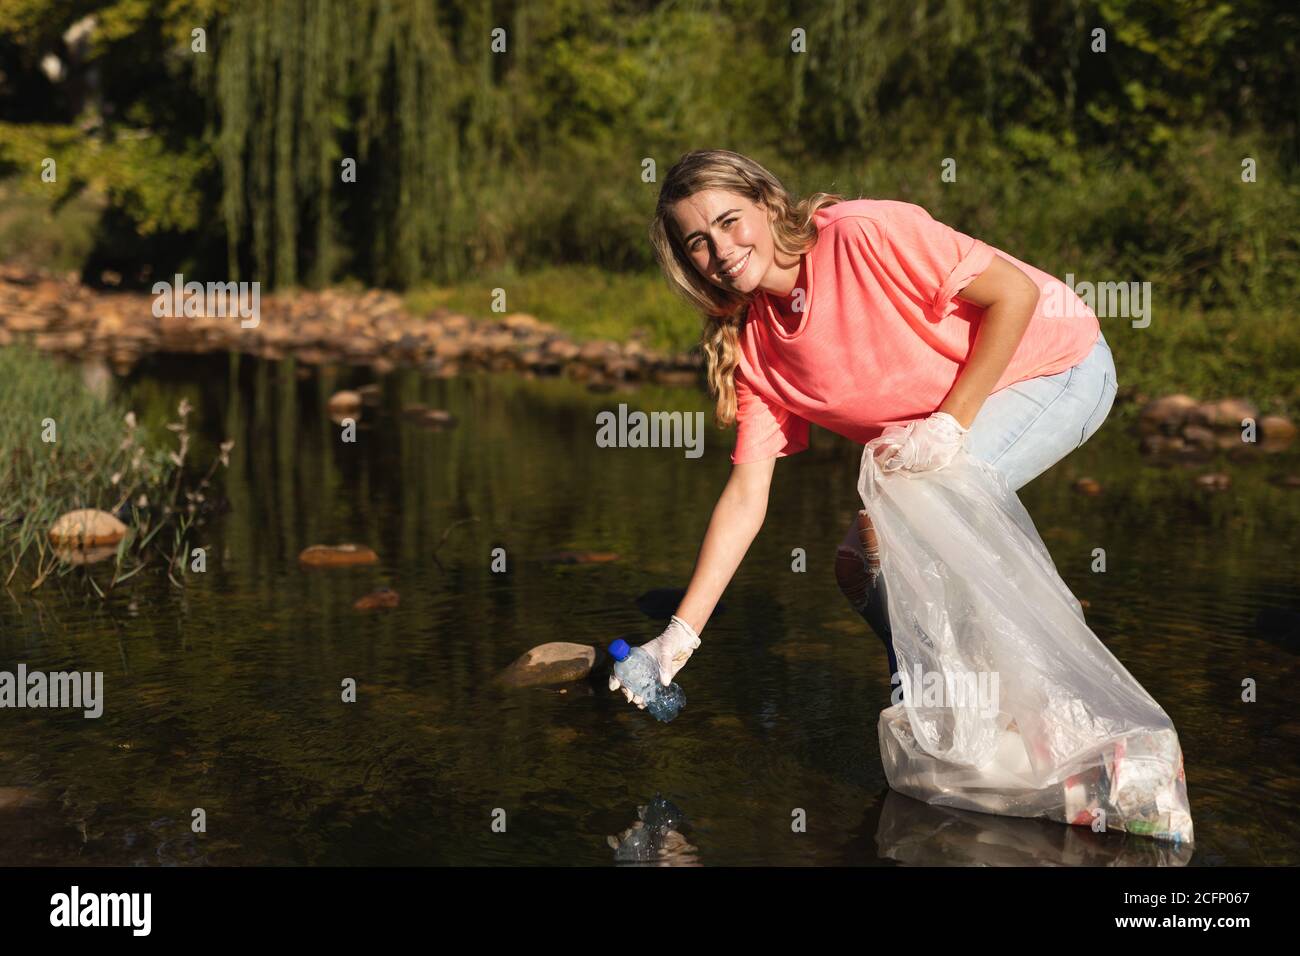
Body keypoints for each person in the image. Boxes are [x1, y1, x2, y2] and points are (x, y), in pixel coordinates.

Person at [610, 148, 1117, 709]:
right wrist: (677, 640)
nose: (722, 251)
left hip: (1058, 366)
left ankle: (1072, 704)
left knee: (914, 516)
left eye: (729, 221)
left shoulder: (861, 234)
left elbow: (1015, 293)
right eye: (698, 242)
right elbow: (746, 499)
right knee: (860, 565)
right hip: (961, 414)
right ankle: (935, 699)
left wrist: (949, 423)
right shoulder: (754, 348)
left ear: (768, 202)